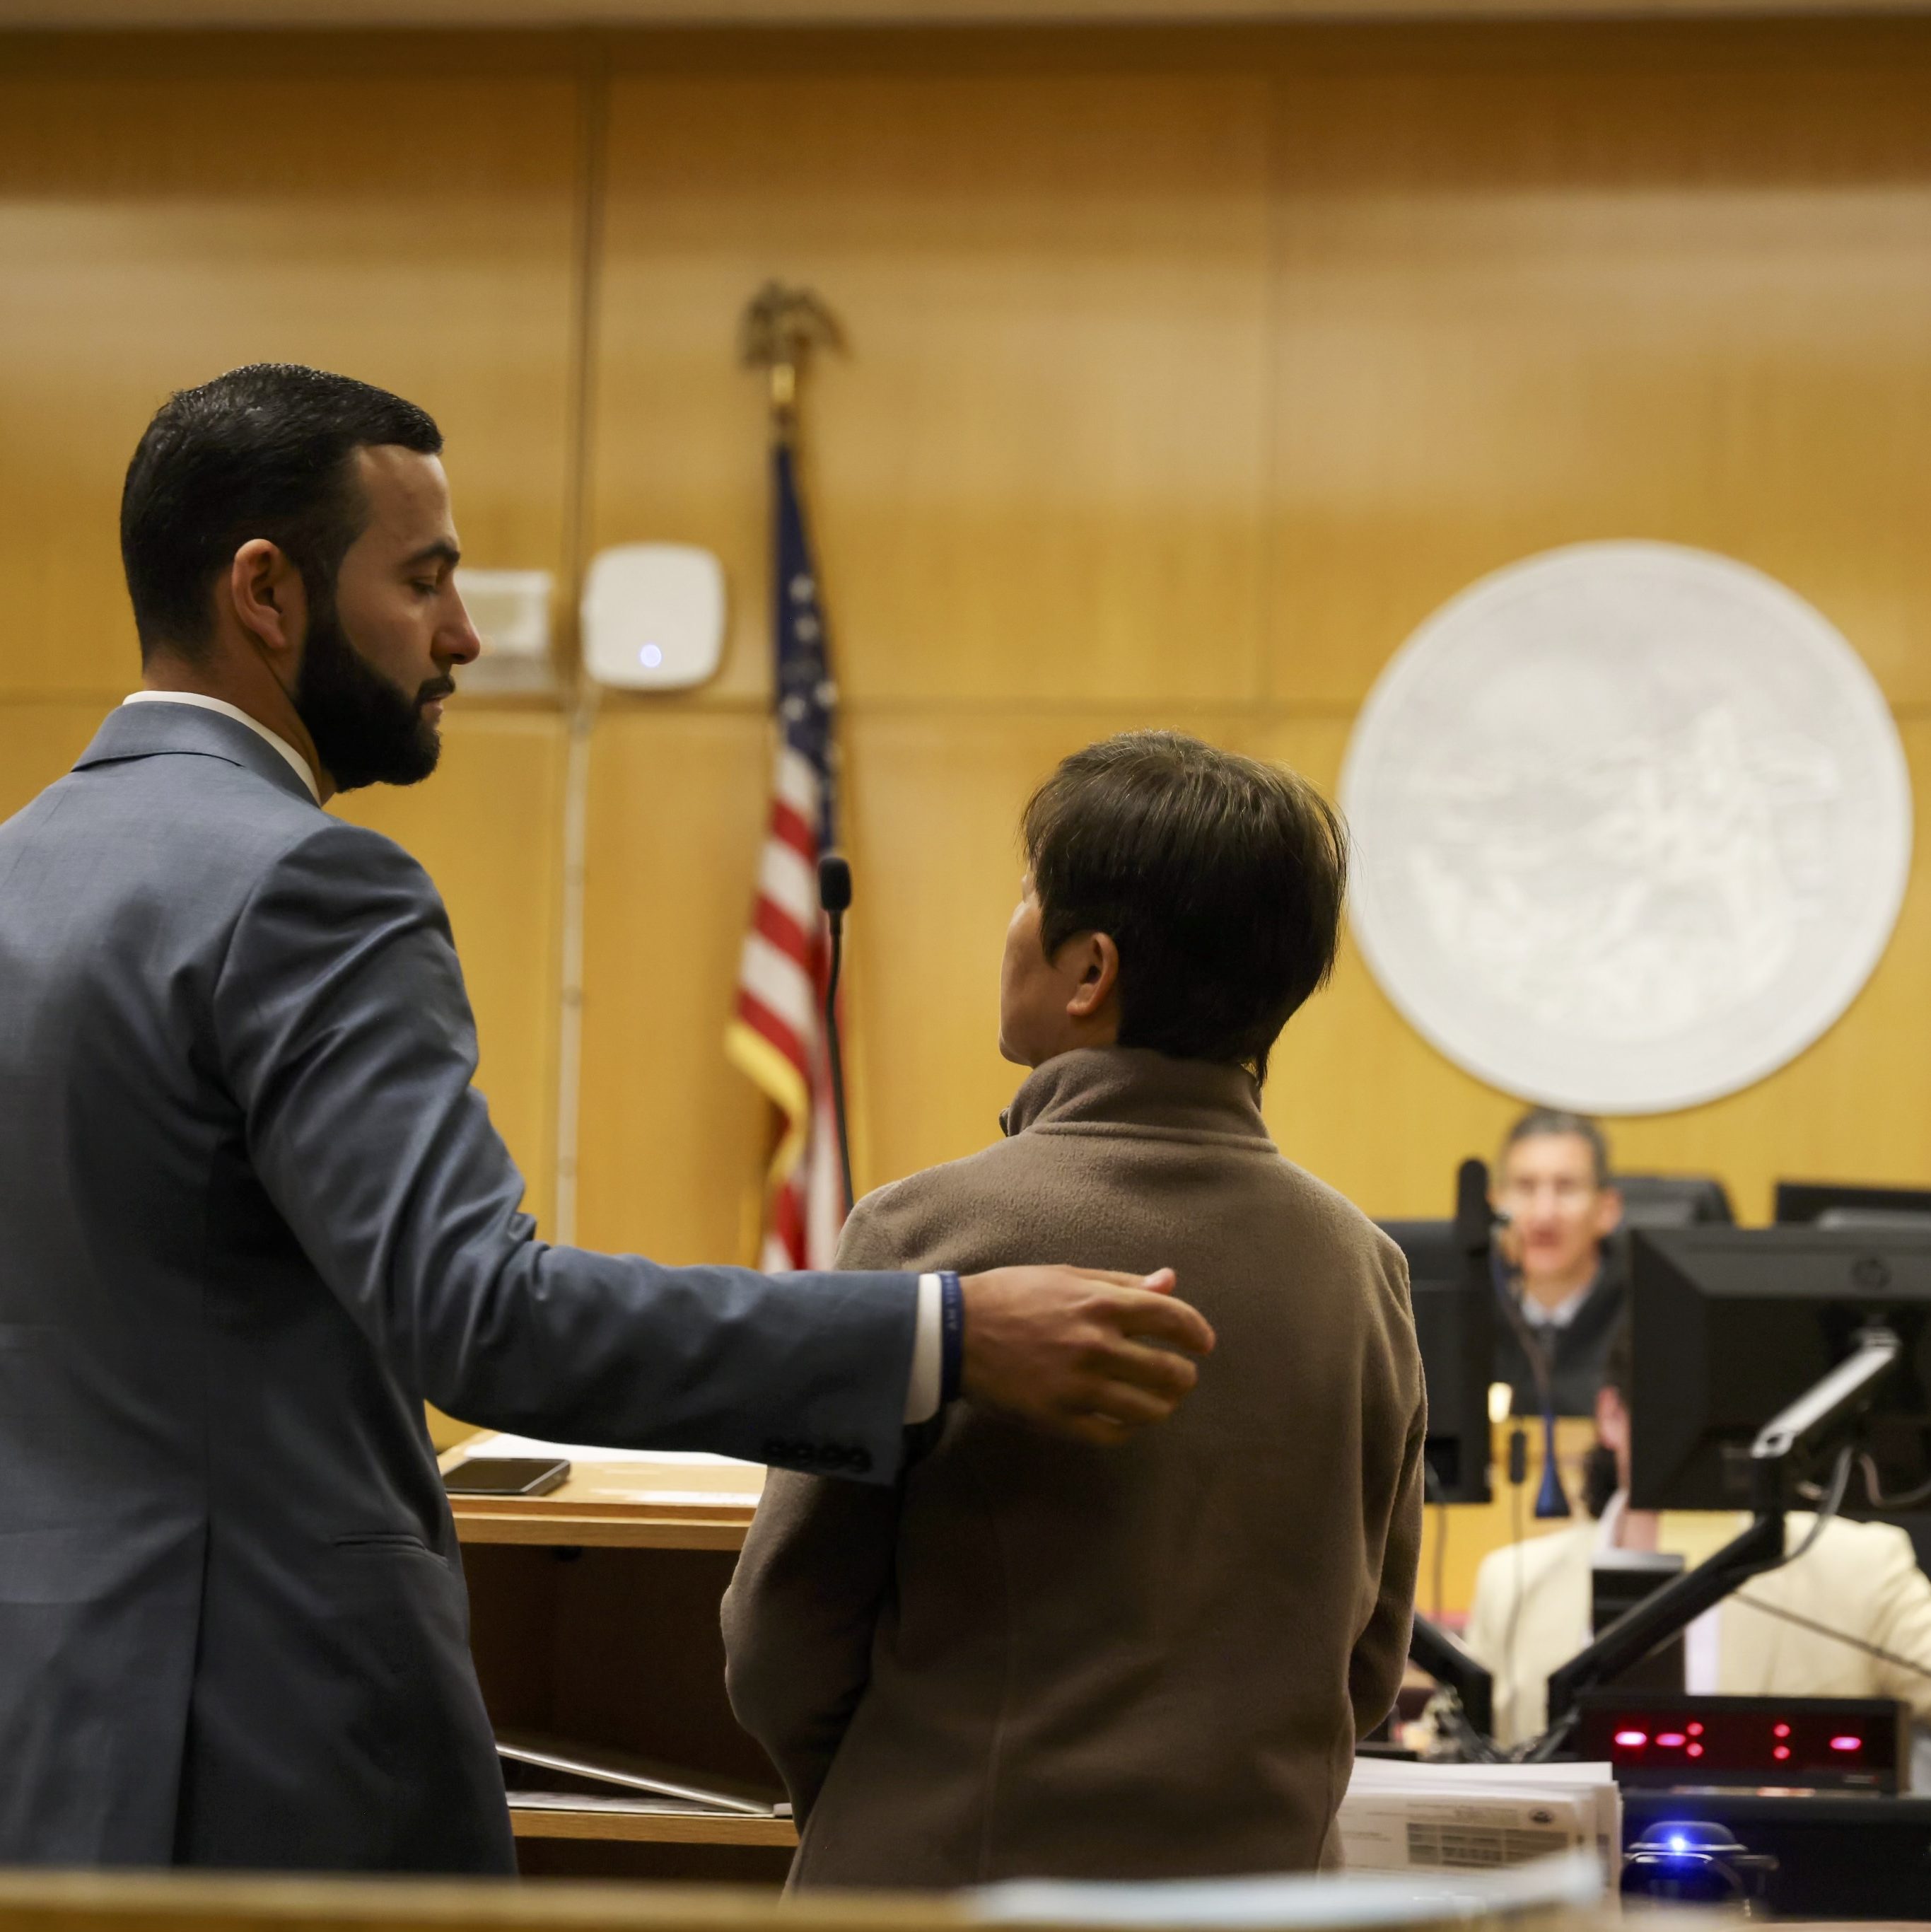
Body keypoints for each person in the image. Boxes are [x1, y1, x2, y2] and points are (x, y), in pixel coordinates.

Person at [0, 366, 1216, 1874]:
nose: (463, 632)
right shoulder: (307, 883)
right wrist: (946, 1338)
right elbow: (483, 1318)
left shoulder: (19, 875)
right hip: (268, 1755)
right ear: (266, 589)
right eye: (425, 578)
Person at [722, 731, 1427, 1887]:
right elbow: (1364, 1664)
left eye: (1024, 895)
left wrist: (890, 1805)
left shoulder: (921, 1237)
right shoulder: (1365, 1271)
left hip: (942, 1883)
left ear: (1088, 970)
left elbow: (781, 1637)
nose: (1008, 925)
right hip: (1253, 1902)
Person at [1463, 1325, 1931, 1750]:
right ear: (1610, 1415)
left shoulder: (1860, 1566)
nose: (1695, 1435)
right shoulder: (1512, 1582)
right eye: (1673, 1407)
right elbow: (1458, 1758)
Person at [1491, 1109, 1626, 1416]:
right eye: (1525, 1187)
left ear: (1608, 1209)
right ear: (1495, 1205)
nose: (1544, 1214)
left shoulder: (1646, 1314)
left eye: (1566, 1187)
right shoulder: (1465, 1313)